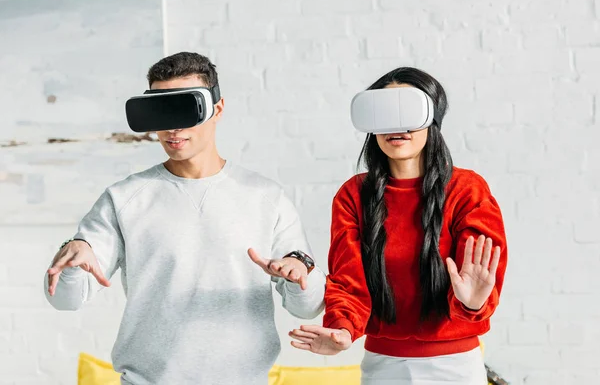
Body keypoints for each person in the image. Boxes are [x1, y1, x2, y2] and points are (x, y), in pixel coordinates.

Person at [44, 51, 326, 385]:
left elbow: (308, 307)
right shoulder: (124, 199)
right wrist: (73, 260)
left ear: (217, 109)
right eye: (163, 111)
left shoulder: (266, 196)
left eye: (185, 110)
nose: (173, 127)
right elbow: (66, 300)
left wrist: (298, 277)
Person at [289, 67, 508, 385]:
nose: (397, 127)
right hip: (383, 367)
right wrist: (341, 329)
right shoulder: (353, 196)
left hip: (456, 367)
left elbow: (480, 287)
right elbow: (349, 283)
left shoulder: (467, 190)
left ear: (432, 116)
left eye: (408, 111)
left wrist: (472, 302)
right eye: (385, 115)